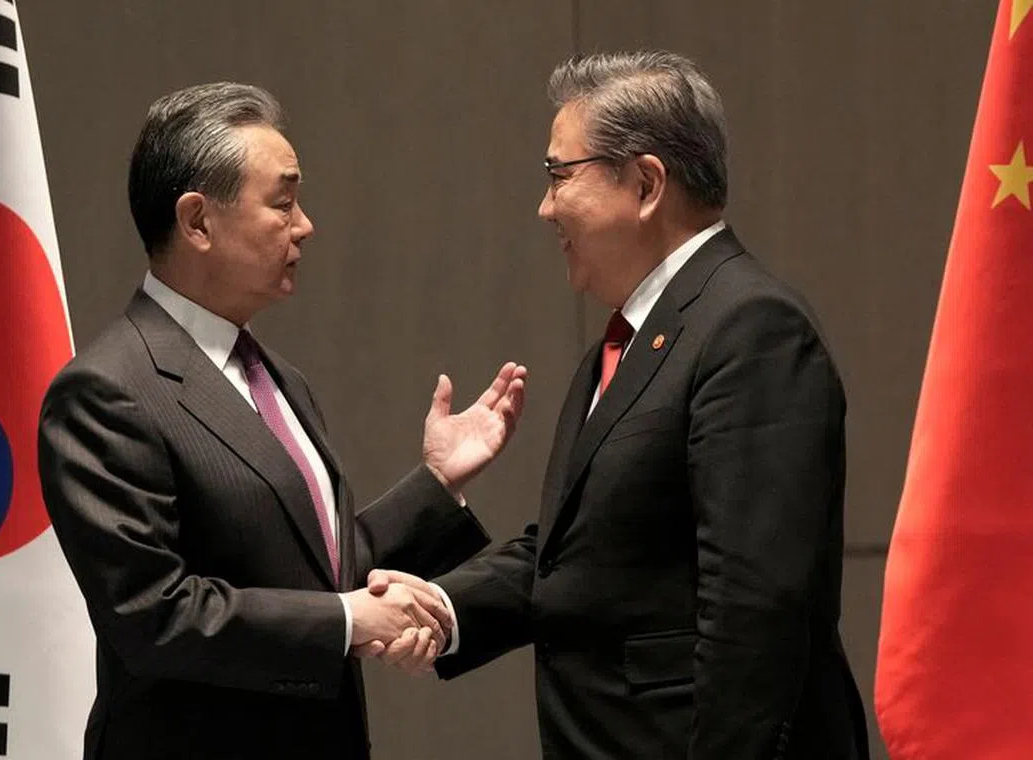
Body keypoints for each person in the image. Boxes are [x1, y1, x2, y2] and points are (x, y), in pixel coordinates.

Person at [369, 51, 869, 759]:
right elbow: (576, 553)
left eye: (558, 175)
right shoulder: (639, 333)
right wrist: (444, 608)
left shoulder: (750, 327)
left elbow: (755, 612)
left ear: (645, 183)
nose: (544, 207)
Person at [36, 82, 526, 760]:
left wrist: (436, 484)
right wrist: (350, 620)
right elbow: (155, 615)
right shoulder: (107, 390)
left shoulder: (278, 378)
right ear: (198, 222)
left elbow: (312, 571)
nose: (305, 225)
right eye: (284, 201)